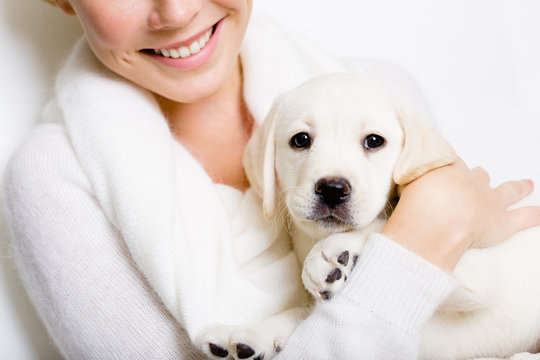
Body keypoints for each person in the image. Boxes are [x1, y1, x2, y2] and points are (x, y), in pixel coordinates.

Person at [4, 0, 540, 359]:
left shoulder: (382, 92)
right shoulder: (55, 178)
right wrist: (423, 239)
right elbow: (419, 275)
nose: (177, 10)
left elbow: (466, 324)